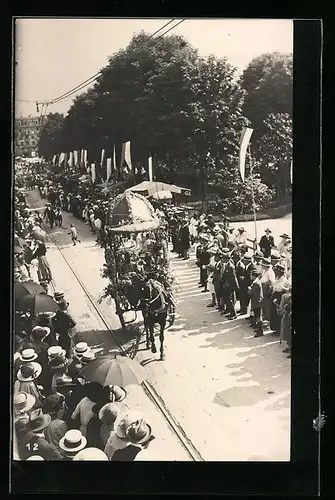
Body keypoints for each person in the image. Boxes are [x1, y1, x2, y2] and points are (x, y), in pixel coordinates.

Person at [220, 249, 239, 319]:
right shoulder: (227, 265)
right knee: (227, 299)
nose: (222, 259)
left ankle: (233, 314)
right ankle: (229, 311)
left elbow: (233, 278)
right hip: (226, 285)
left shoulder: (230, 267)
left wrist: (233, 286)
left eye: (223, 258)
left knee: (230, 300)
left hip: (230, 286)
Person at [259, 257, 276, 326]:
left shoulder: (270, 272)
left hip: (267, 290)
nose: (261, 266)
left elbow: (272, 282)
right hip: (263, 288)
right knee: (263, 305)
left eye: (262, 265)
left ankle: (267, 319)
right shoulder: (264, 271)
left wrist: (266, 284)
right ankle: (264, 317)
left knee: (267, 305)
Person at [248, 269, 264, 337]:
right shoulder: (257, 282)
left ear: (254, 276)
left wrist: (249, 289)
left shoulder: (256, 283)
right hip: (257, 301)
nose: (250, 276)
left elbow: (250, 292)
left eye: (251, 275)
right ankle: (258, 328)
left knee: (258, 316)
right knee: (257, 315)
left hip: (257, 302)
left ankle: (260, 331)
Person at [280, 282, 292, 357]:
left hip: (291, 316)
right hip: (288, 316)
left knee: (291, 332)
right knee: (287, 331)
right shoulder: (289, 297)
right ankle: (289, 346)